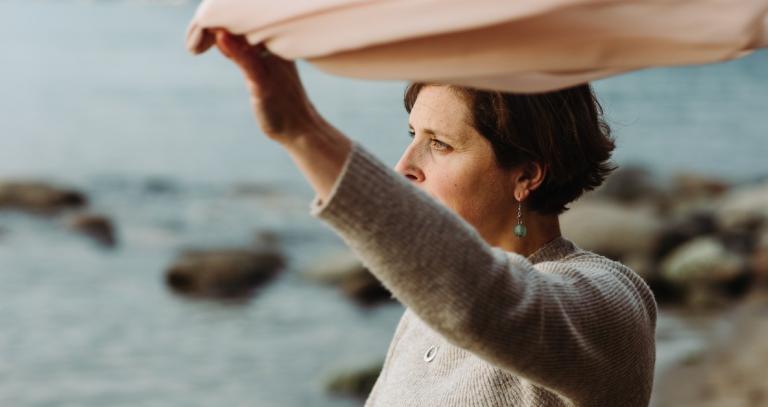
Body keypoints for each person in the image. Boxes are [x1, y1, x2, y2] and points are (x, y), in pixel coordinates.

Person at [212, 30, 657, 406]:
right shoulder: (424, 316)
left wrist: (302, 131)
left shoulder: (612, 306)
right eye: (413, 136)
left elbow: (486, 301)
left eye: (440, 144)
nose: (402, 166)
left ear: (526, 175)